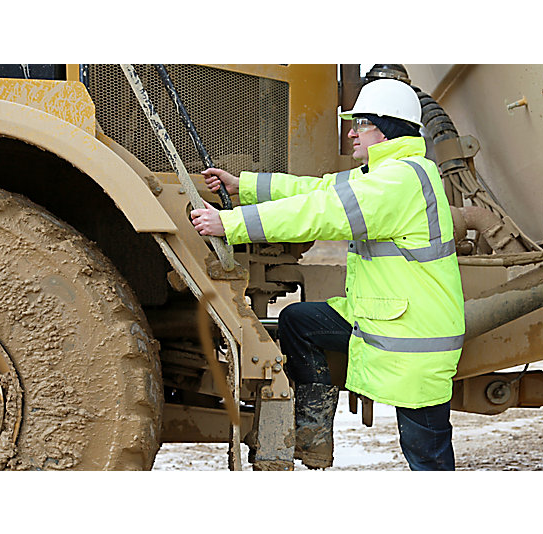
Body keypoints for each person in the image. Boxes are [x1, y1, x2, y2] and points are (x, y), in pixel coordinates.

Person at [190, 78, 465, 471]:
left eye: (361, 124)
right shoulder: (383, 172)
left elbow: (323, 213)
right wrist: (243, 187)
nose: (351, 132)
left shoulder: (398, 181)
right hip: (387, 320)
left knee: (426, 456)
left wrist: (230, 224)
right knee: (298, 322)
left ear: (386, 128)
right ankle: (314, 437)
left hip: (413, 339)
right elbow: (314, 191)